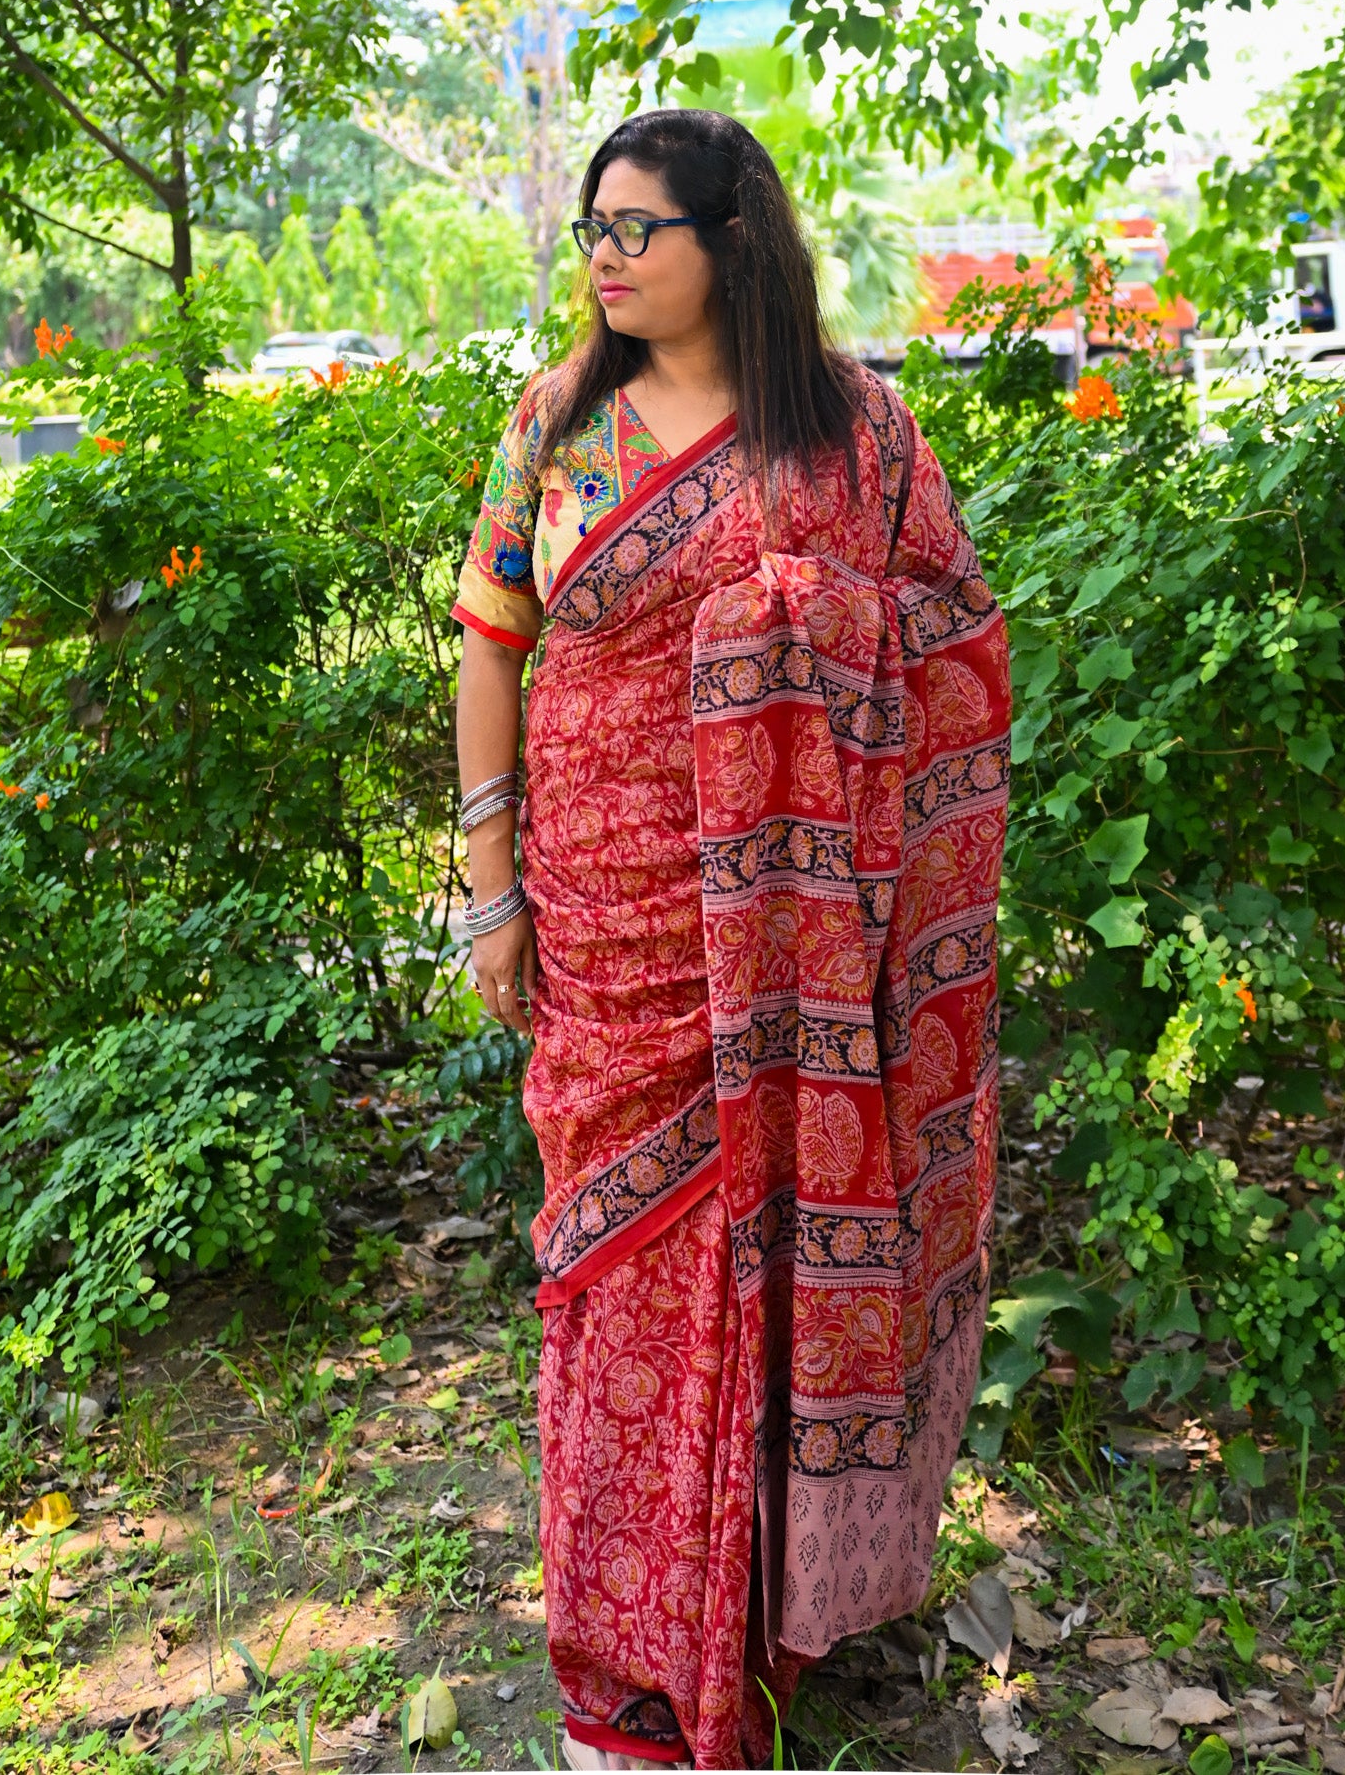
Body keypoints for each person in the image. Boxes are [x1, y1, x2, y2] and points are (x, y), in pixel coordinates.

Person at [451, 107, 1009, 1771]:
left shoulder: (858, 438)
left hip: (789, 951)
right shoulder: (558, 427)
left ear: (733, 239)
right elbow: (491, 644)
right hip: (604, 925)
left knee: (767, 1265)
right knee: (606, 1283)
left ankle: (763, 1621)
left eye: (641, 228)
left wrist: (798, 632)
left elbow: (959, 644)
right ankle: (627, 1667)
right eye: (592, 232)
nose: (607, 258)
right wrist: (492, 888)